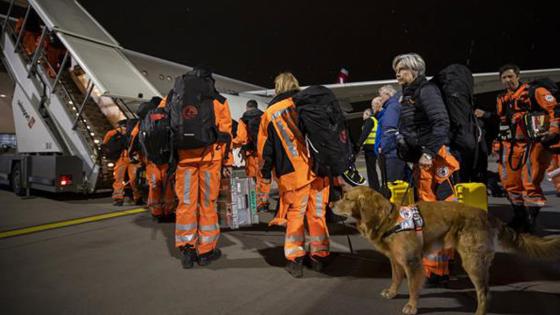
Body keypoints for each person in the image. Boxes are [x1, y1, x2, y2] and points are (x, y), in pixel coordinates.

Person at [393, 53, 459, 287]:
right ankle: (438, 265)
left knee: (437, 216)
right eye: (397, 69)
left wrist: (428, 153)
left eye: (401, 69)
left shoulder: (426, 91)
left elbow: (441, 123)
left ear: (414, 70)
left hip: (434, 161)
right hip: (423, 162)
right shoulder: (408, 94)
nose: (397, 73)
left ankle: (439, 270)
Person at [258, 72, 330, 278]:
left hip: (293, 174)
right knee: (317, 214)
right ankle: (320, 255)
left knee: (295, 216)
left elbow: (266, 150)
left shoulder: (271, 112)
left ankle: (295, 258)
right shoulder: (311, 104)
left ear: (278, 86)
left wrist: (264, 173)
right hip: (319, 171)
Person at [173, 68, 233, 268]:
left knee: (187, 202)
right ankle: (206, 251)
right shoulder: (219, 100)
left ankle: (187, 248)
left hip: (184, 159)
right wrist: (227, 162)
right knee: (207, 203)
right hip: (210, 158)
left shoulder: (175, 96)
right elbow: (226, 134)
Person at [494, 64, 559, 233]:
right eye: (504, 78)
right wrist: (498, 143)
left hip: (534, 144)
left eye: (510, 76)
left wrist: (552, 131)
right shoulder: (502, 99)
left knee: (530, 182)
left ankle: (531, 218)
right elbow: (502, 122)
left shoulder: (534, 92)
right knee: (510, 183)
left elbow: (554, 110)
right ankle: (519, 216)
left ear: (517, 76)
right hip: (511, 145)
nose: (508, 80)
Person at [136, 96, 176, 222]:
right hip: (167, 160)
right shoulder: (167, 115)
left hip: (151, 161)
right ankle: (169, 212)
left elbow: (135, 140)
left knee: (154, 186)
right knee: (168, 187)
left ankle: (156, 212)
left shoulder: (143, 120)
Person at [232, 100, 270, 211]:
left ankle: (258, 203)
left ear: (247, 107)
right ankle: (264, 201)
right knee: (264, 177)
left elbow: (241, 138)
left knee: (254, 178)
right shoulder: (265, 116)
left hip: (251, 154)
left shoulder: (244, 119)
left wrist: (231, 143)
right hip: (264, 152)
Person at [103, 119, 143, 206]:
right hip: (130, 158)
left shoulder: (112, 133)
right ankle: (137, 197)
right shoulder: (134, 133)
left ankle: (119, 199)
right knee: (133, 179)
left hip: (123, 159)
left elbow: (104, 144)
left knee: (120, 179)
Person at [378, 85, 407, 182]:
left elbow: (389, 130)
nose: (379, 98)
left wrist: (384, 147)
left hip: (392, 153)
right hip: (395, 151)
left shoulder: (392, 107)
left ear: (388, 94)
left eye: (381, 95)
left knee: (393, 184)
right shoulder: (392, 106)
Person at [355, 102, 381, 190]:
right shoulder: (376, 120)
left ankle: (374, 187)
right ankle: (376, 186)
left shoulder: (369, 120)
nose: (363, 115)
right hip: (375, 146)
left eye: (365, 114)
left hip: (370, 148)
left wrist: (358, 145)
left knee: (371, 169)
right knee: (374, 168)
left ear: (368, 114)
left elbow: (365, 134)